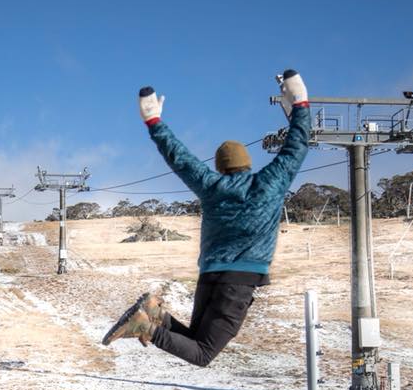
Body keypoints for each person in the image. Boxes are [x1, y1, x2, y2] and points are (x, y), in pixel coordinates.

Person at [102, 70, 311, 367]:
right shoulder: (270, 183)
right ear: (247, 163)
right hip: (239, 282)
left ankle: (157, 315)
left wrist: (154, 122)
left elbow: (180, 158)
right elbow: (296, 146)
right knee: (203, 354)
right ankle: (146, 326)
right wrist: (300, 104)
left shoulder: (211, 186)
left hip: (210, 277)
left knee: (196, 339)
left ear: (220, 166)